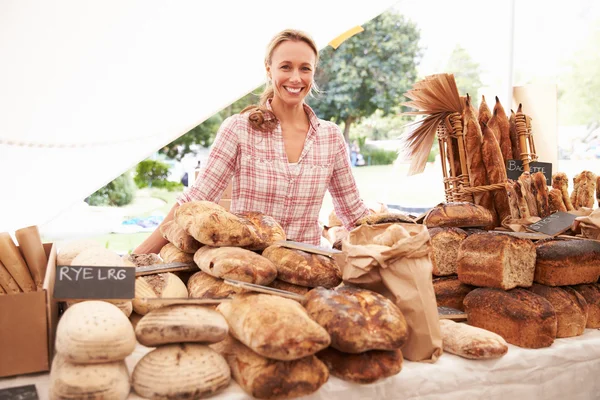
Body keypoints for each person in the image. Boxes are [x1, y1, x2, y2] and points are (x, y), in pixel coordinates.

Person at [134, 29, 369, 253]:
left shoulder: (330, 137)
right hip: (247, 270)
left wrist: (400, 242)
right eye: (285, 67)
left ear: (314, 72)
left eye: (305, 68)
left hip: (305, 269)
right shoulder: (239, 128)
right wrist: (136, 259)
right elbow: (193, 202)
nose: (296, 78)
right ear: (269, 70)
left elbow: (354, 213)